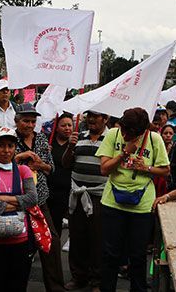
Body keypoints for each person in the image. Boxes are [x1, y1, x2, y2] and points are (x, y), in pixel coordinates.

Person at [96, 107, 170, 292]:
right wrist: (124, 153)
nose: (125, 134)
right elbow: (104, 169)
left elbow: (165, 171)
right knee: (110, 254)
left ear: (142, 130)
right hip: (113, 203)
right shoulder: (113, 135)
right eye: (123, 129)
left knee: (137, 256)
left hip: (142, 207)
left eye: (129, 132)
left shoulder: (154, 139)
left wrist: (147, 168)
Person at [0, 127, 38, 292]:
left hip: (20, 239)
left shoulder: (23, 170)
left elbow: (33, 199)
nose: (6, 150)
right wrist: (19, 202)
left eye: (10, 146)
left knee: (18, 284)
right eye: (1, 146)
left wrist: (3, 199)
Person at [13, 103, 64, 292]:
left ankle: (56, 287)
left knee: (51, 242)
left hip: (39, 200)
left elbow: (51, 169)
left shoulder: (41, 138)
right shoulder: (8, 138)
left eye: (33, 121)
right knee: (20, 246)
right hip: (16, 201)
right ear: (17, 121)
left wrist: (40, 164)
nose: (29, 124)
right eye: (26, 121)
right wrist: (20, 158)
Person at [62, 110, 109, 292]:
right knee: (77, 237)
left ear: (105, 118)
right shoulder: (78, 137)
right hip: (77, 196)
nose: (91, 119)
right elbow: (67, 164)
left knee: (98, 239)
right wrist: (70, 147)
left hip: (99, 197)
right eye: (89, 115)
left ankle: (96, 280)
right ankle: (78, 277)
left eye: (96, 116)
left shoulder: (112, 139)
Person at [47, 113, 74, 238]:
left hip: (65, 191)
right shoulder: (48, 141)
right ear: (56, 127)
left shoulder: (75, 144)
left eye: (70, 125)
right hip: (48, 189)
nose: (67, 128)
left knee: (56, 225)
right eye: (63, 125)